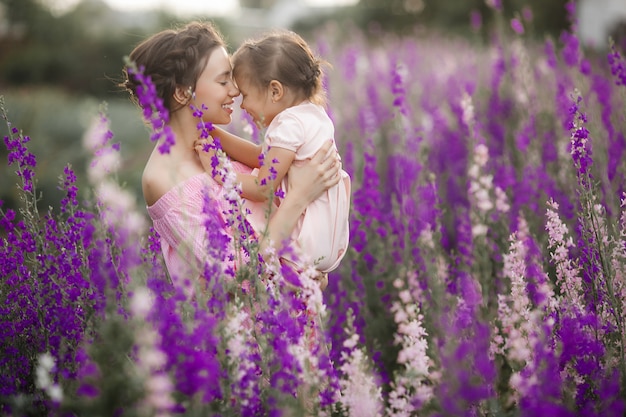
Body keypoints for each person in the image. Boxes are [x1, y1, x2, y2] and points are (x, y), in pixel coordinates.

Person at [121, 21, 342, 288]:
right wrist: (300, 196)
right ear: (182, 92)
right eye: (223, 80)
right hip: (253, 329)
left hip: (293, 320)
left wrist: (310, 272)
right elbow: (237, 280)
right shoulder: (163, 179)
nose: (235, 91)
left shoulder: (217, 146)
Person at [195, 29, 351, 275]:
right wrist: (215, 135)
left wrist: (216, 168)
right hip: (328, 241)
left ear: (275, 91)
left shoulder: (287, 124)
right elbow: (263, 157)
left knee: (260, 278)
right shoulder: (313, 117)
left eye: (246, 95)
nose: (242, 104)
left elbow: (262, 188)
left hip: (303, 246)